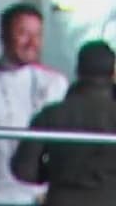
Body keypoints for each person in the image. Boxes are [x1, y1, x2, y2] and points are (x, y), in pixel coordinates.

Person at [11, 40, 116, 206]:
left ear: (78, 70)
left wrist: (53, 172)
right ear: (112, 73)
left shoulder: (51, 115)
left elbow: (23, 169)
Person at [0, 3, 71, 205]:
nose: (32, 42)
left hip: (41, 197)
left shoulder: (55, 82)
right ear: (4, 35)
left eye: (37, 35)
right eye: (23, 33)